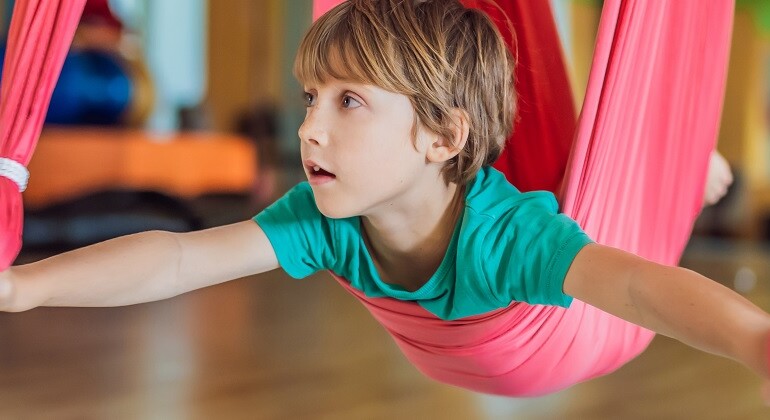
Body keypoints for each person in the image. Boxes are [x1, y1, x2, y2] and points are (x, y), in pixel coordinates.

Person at [1, 0, 768, 401]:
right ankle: (675, 174)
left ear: (439, 137)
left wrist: (754, 341)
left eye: (348, 104)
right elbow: (176, 258)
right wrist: (27, 287)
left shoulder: (507, 237)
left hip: (576, 300)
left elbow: (636, 285)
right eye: (311, 98)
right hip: (537, 221)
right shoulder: (328, 221)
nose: (309, 129)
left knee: (608, 217)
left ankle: (674, 178)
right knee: (575, 178)